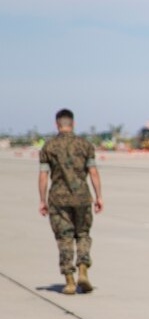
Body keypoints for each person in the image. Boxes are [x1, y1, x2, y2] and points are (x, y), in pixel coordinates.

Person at [38, 109, 103, 295]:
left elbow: (43, 176)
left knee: (64, 238)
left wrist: (42, 200)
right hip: (82, 197)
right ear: (72, 124)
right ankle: (83, 268)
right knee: (82, 234)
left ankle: (69, 281)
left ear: (57, 125)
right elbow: (93, 172)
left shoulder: (48, 147)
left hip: (58, 200)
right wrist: (99, 196)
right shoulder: (85, 145)